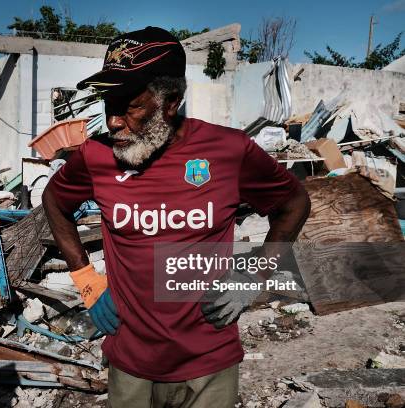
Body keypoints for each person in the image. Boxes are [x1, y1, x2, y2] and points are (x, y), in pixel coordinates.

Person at [42, 26, 310, 408]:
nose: (114, 121)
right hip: (130, 363)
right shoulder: (95, 156)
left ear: (171, 102)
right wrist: (86, 280)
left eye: (130, 106)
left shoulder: (228, 151)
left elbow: (294, 203)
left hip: (208, 363)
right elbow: (54, 201)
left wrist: (254, 276)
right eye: (108, 104)